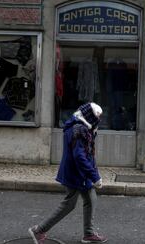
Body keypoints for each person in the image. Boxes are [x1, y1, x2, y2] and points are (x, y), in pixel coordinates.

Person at [28, 102, 108, 244]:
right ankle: (39, 230)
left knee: (91, 199)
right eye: (98, 117)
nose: (99, 120)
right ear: (90, 116)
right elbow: (80, 156)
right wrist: (94, 176)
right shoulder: (79, 129)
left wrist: (93, 174)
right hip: (75, 174)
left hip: (80, 173)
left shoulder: (82, 127)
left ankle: (88, 234)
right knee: (69, 204)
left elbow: (87, 154)